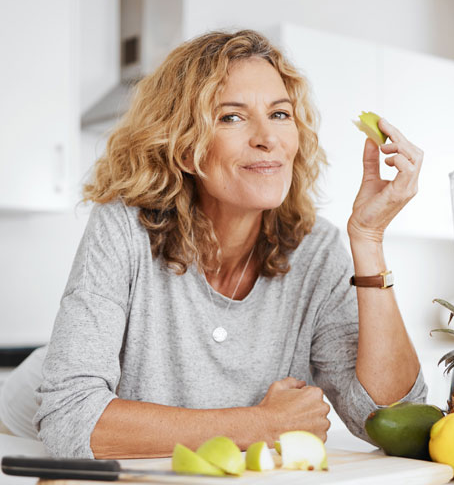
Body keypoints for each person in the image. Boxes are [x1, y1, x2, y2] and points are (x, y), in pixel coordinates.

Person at [32, 29, 426, 459]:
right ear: (185, 149)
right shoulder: (123, 227)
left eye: (280, 114)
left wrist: (368, 240)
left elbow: (396, 420)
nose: (267, 138)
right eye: (231, 117)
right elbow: (68, 417)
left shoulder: (316, 251)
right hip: (20, 434)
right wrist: (261, 425)